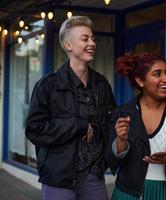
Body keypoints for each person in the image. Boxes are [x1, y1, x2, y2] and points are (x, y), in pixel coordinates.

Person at [25, 16, 116, 200]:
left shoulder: (101, 84)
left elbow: (110, 124)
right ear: (68, 45)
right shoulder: (47, 86)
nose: (92, 43)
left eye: (93, 38)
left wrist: (105, 161)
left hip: (94, 177)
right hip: (59, 179)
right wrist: (77, 126)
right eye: (85, 39)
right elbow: (34, 130)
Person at [105, 52, 166, 200]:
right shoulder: (123, 113)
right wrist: (121, 141)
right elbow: (111, 161)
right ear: (140, 81)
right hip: (129, 194)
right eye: (157, 74)